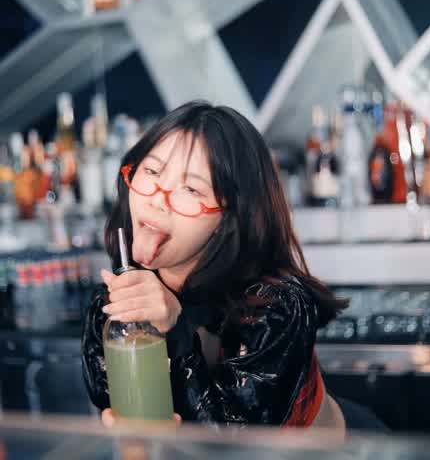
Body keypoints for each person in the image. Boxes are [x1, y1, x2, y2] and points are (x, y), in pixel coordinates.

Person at [81, 101, 362, 433]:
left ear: (230, 217)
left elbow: (234, 440)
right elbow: (119, 407)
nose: (157, 199)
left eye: (190, 188)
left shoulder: (278, 306)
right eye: (152, 172)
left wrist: (176, 330)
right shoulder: (116, 306)